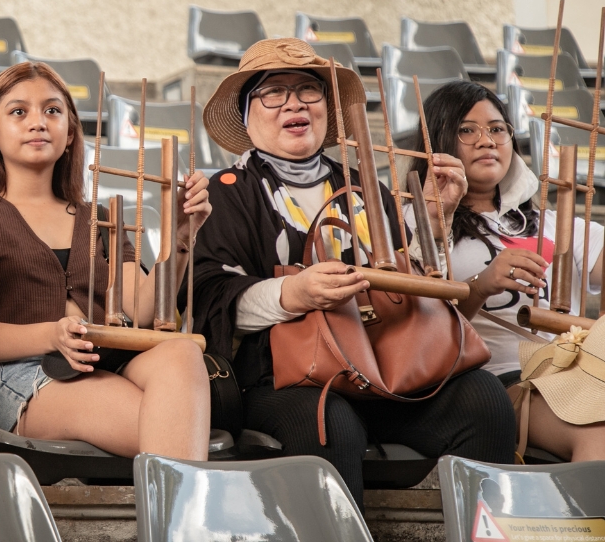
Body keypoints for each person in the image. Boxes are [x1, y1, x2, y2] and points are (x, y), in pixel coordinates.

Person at [189, 38, 515, 508]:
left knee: (483, 401)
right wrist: (293, 293)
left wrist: (434, 220)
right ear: (246, 113)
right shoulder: (227, 193)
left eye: (308, 90)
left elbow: (412, 288)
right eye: (273, 93)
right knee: (330, 423)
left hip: (386, 363)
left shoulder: (365, 186)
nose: (294, 103)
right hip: (285, 377)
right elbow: (210, 298)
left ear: (326, 109)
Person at [0, 62, 212, 459]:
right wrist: (52, 334)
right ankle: (186, 520)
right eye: (18, 111)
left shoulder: (98, 218)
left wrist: (182, 240)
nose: (38, 122)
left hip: (112, 360)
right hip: (27, 375)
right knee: (175, 423)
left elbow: (146, 312)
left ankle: (176, 517)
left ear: (69, 135)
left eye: (52, 110)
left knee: (182, 353)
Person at [411, 80, 605, 461]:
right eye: (467, 130)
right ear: (437, 142)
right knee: (598, 432)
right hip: (497, 382)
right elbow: (420, 334)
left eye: (497, 129)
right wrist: (480, 286)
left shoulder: (551, 222)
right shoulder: (418, 222)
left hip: (573, 372)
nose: (487, 140)